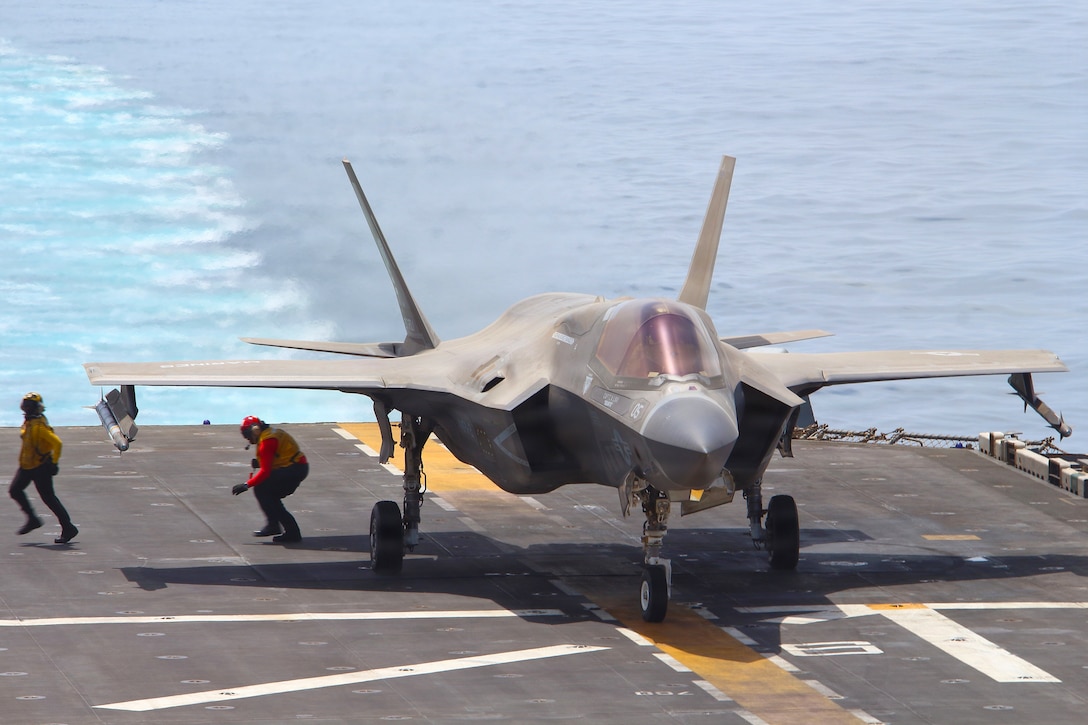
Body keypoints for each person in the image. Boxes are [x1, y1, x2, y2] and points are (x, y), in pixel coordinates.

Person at [10, 392, 78, 544]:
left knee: (49, 498)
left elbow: (57, 443)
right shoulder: (28, 422)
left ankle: (68, 528)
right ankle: (33, 519)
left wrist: (54, 463)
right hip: (27, 466)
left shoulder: (39, 427)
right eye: (25, 406)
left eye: (29, 406)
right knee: (15, 490)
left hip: (40, 467)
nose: (26, 409)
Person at [232, 416, 308, 543]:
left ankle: (277, 526)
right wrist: (260, 463)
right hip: (296, 467)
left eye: (246, 434)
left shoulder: (267, 441)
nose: (247, 439)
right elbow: (280, 456)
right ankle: (289, 531)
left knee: (262, 490)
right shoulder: (271, 433)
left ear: (254, 430)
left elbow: (265, 472)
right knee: (270, 497)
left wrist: (246, 485)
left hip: (294, 470)